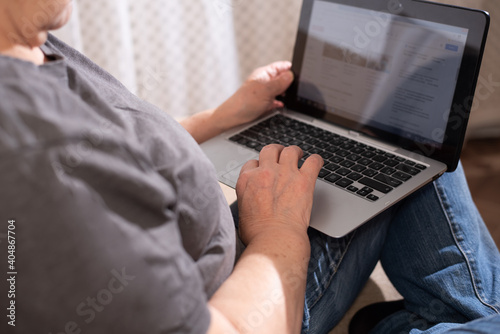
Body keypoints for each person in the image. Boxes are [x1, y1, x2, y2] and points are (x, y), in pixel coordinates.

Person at [0, 1, 498, 333]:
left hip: (231, 247)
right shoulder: (33, 160)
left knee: (410, 154)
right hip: (247, 296)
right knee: (424, 156)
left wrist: (219, 119)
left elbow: (110, 142)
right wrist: (279, 233)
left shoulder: (25, 38)